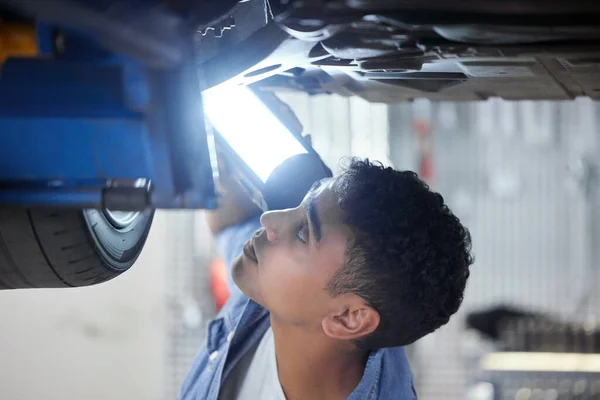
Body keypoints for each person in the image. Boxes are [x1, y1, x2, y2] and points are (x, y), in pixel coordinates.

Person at [179, 157, 473, 400]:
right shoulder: (272, 291)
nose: (269, 219)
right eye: (298, 207)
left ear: (348, 318)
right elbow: (231, 222)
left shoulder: (281, 284)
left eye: (303, 232)